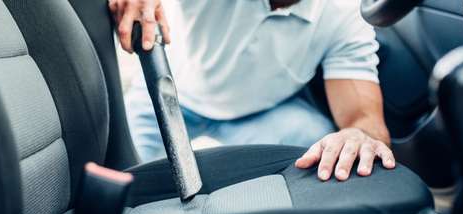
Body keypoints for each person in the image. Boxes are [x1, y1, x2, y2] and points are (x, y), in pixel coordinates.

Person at [109, 0, 396, 182]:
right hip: (169, 96)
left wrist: (359, 136)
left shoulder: (345, 14)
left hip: (259, 115)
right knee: (120, 179)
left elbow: (364, 121)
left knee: (326, 147)